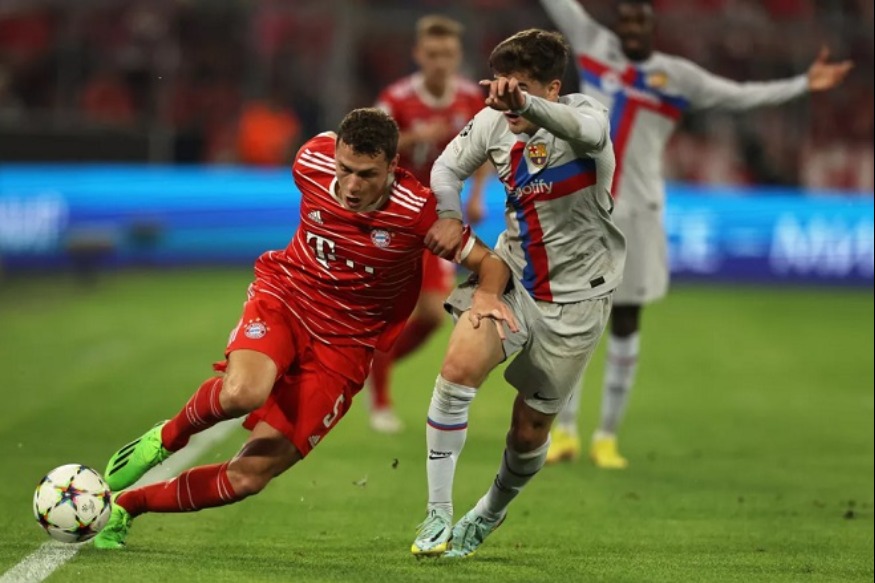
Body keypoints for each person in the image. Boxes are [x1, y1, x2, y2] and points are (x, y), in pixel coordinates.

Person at [92, 108, 515, 550]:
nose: (352, 186)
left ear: (393, 166)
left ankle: (129, 506)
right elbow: (324, 153)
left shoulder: (418, 212)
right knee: (242, 393)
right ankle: (164, 439)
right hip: (286, 300)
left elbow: (490, 262)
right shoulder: (310, 160)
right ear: (333, 156)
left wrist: (485, 295)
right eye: (345, 169)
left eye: (367, 175)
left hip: (345, 348)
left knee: (249, 477)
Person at [537, 0, 853, 469]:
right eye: (623, 22)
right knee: (571, 320)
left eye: (638, 23)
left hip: (639, 214)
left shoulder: (677, 77)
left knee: (626, 321)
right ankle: (563, 432)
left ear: (652, 28)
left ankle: (606, 436)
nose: (629, 31)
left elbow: (740, 95)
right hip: (585, 209)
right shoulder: (593, 44)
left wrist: (804, 83)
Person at [410, 29, 625, 558]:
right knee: (457, 368)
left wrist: (524, 103)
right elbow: (444, 168)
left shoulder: (586, 119)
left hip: (578, 299)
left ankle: (489, 512)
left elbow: (586, 129)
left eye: (522, 88)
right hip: (512, 277)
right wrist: (451, 216)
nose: (506, 98)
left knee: (528, 433)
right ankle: (436, 514)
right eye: (501, 85)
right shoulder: (492, 123)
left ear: (552, 89)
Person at [369, 14, 489, 434]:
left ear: (458, 56)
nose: (440, 62)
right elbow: (372, 144)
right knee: (391, 311)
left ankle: (372, 364)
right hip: (396, 213)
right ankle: (380, 399)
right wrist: (417, 137)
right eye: (433, 54)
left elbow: (484, 148)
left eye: (448, 54)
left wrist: (476, 197)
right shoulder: (397, 98)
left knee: (433, 316)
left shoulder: (470, 99)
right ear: (419, 54)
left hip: (442, 217)